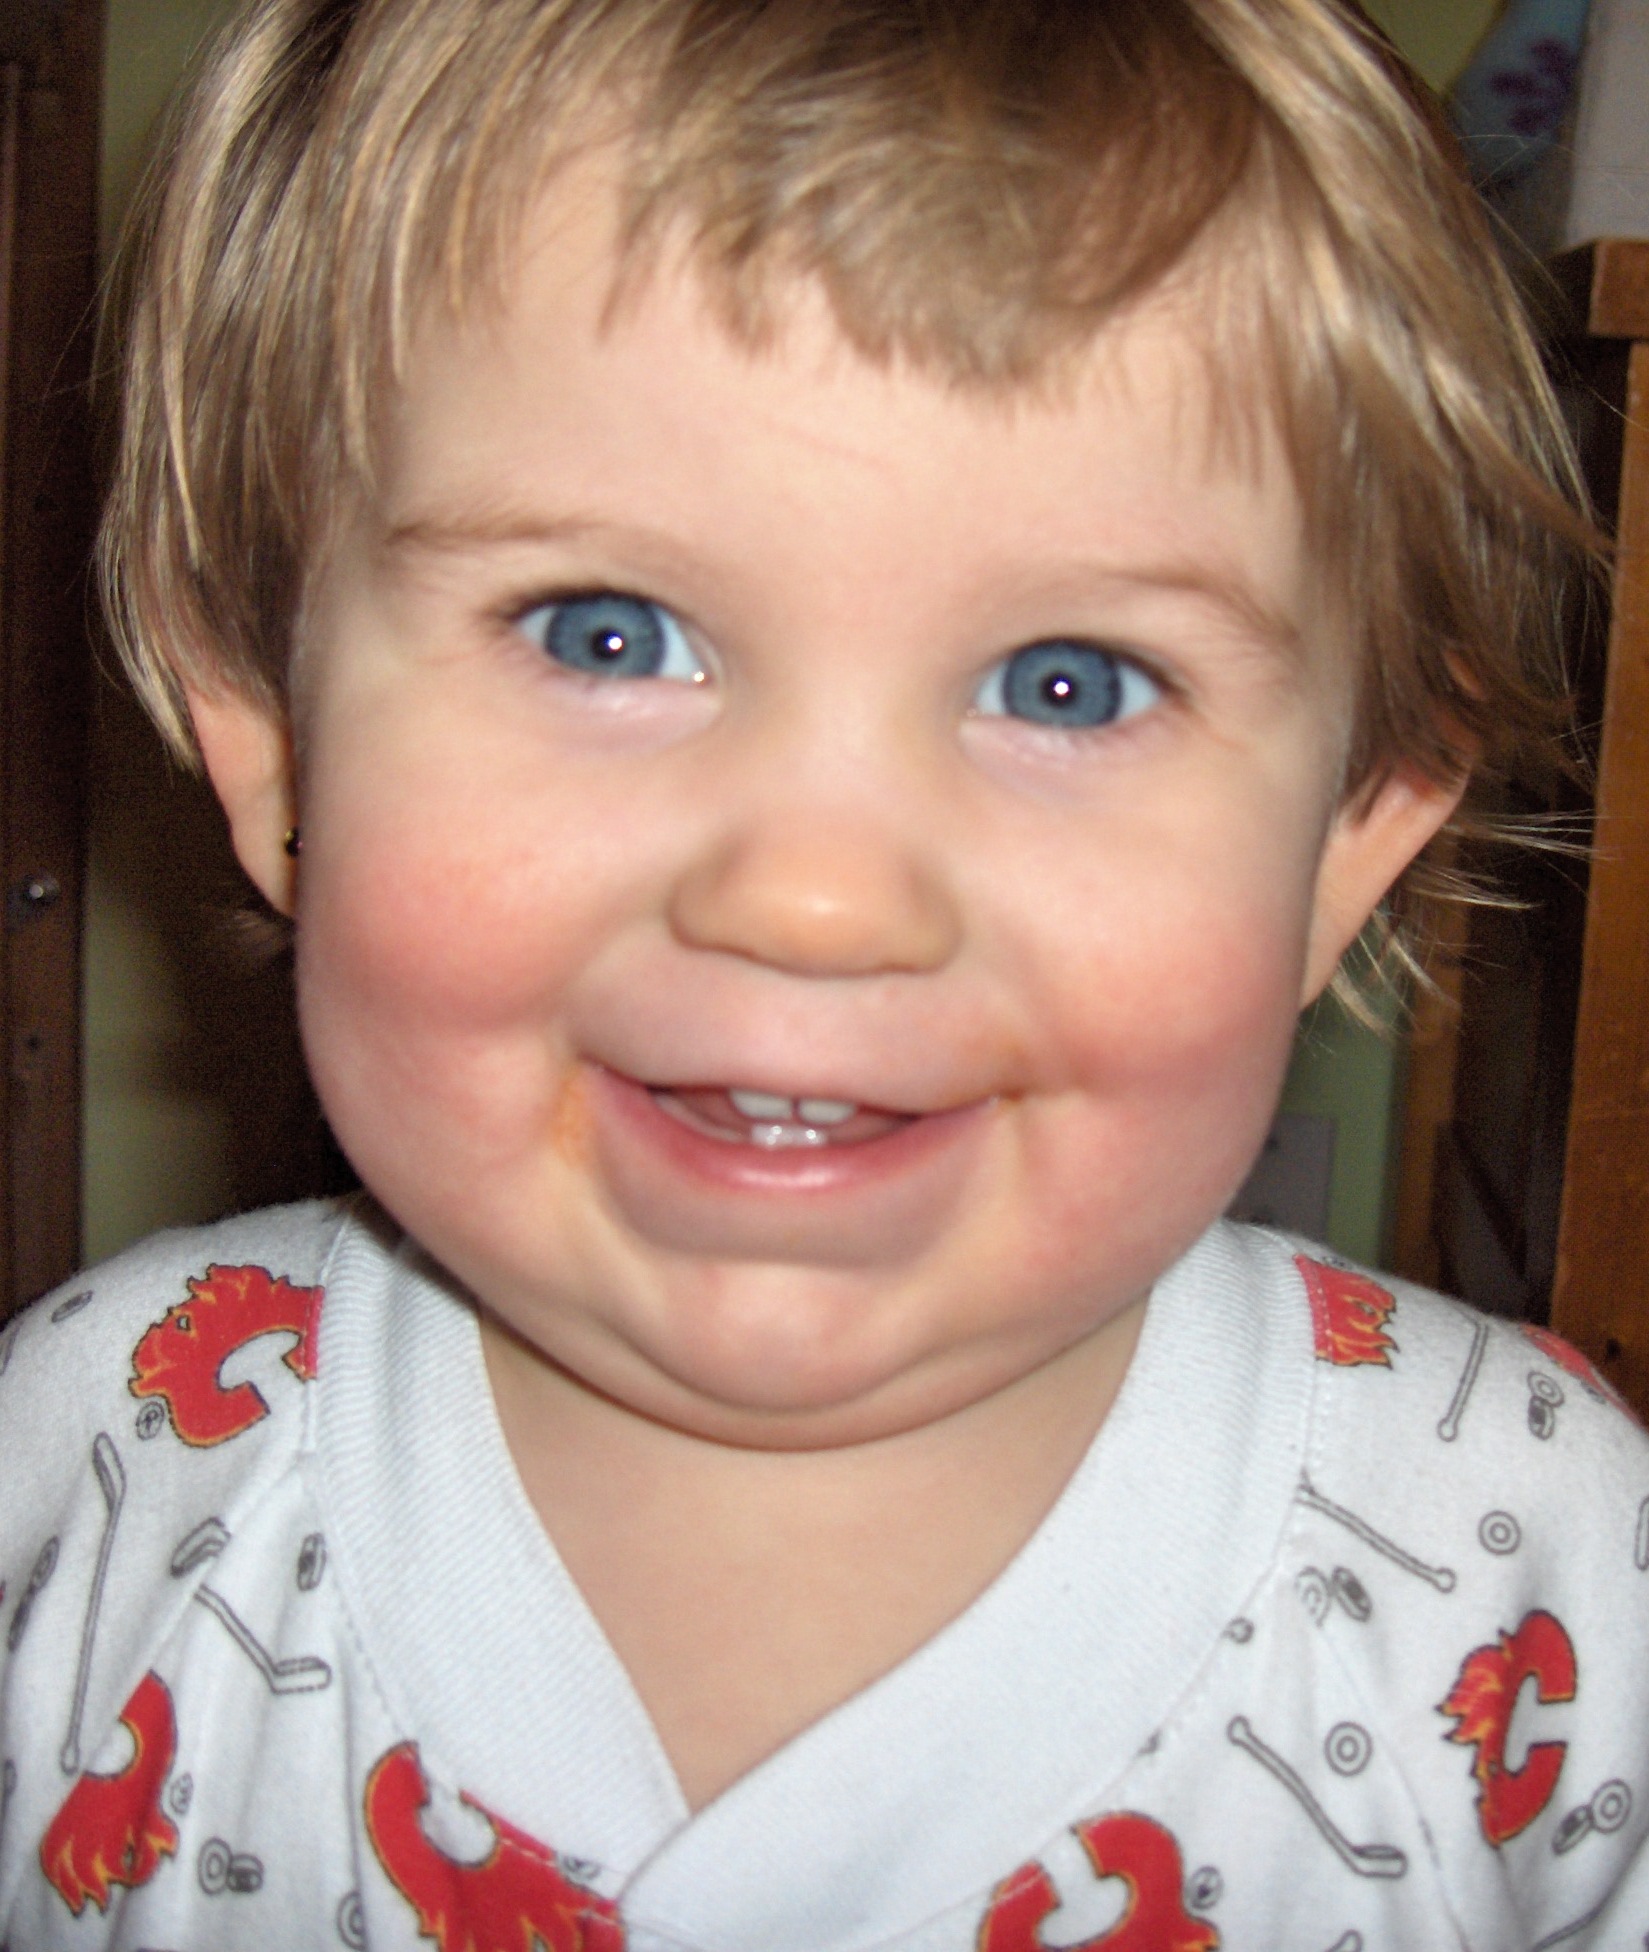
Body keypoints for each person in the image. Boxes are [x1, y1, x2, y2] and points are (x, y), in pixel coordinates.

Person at [3, 0, 1644, 1944]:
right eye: (606, 634)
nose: (814, 900)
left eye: (1069, 683)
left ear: (1352, 834)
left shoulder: (1533, 1554)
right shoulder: (92, 1464)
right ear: (277, 745)